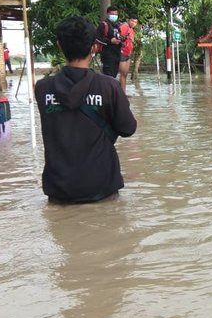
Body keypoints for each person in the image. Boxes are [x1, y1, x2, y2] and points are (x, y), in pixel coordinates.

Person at [35, 16, 137, 203]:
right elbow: (128, 128)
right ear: (94, 47)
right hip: (102, 186)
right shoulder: (109, 87)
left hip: (59, 191)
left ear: (59, 45)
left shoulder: (42, 88)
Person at [95, 6, 122, 78]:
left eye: (116, 14)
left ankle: (112, 89)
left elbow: (119, 37)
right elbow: (97, 39)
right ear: (108, 14)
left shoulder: (117, 26)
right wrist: (110, 41)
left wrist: (121, 41)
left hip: (117, 54)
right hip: (107, 55)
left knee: (114, 75)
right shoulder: (103, 25)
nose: (114, 16)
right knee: (108, 76)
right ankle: (107, 89)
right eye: (112, 14)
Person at [118, 16, 138, 93]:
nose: (134, 23)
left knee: (125, 75)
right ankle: (122, 93)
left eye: (135, 22)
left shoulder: (132, 30)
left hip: (128, 54)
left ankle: (123, 92)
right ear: (128, 20)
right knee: (123, 74)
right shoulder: (124, 26)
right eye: (132, 21)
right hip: (122, 53)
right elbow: (119, 38)